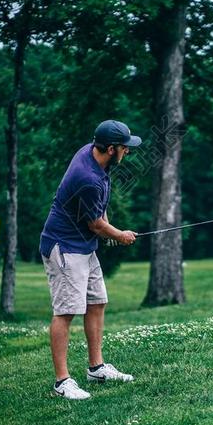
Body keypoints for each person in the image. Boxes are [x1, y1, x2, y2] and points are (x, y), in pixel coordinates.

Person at [39, 120, 141, 399]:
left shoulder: (93, 155)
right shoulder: (88, 178)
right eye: (124, 148)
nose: (127, 152)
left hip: (83, 244)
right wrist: (119, 235)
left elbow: (99, 210)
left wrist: (110, 230)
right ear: (110, 148)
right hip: (64, 246)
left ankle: (96, 367)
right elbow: (95, 223)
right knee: (66, 312)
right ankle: (62, 382)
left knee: (97, 301)